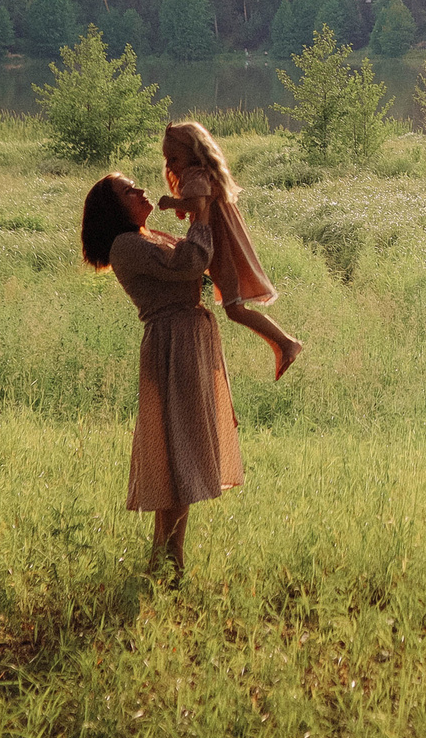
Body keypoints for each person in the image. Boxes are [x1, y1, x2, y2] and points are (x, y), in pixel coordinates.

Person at [80, 173, 239, 578]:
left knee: (179, 449)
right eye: (128, 191)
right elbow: (191, 263)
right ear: (113, 208)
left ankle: (164, 558)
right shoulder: (125, 245)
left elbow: (198, 267)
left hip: (187, 340)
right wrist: (200, 215)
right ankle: (170, 560)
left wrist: (198, 214)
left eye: (136, 185)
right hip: (173, 345)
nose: (140, 191)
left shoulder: (148, 237)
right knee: (179, 451)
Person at [158, 121, 303, 379]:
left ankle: (285, 343)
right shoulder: (203, 175)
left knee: (234, 308)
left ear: (194, 153)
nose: (169, 165)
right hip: (223, 243)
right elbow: (199, 204)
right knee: (232, 307)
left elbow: (197, 202)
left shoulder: (196, 174)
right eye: (166, 160)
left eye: (174, 158)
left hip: (222, 245)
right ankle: (282, 343)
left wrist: (173, 203)